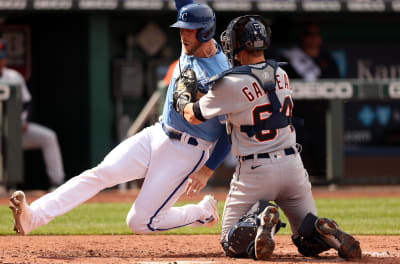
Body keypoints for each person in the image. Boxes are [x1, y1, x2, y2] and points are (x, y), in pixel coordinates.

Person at [9, 1, 231, 236]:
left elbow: (229, 131)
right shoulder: (190, 45)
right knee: (102, 172)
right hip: (158, 132)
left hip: (189, 151)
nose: (183, 35)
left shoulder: (223, 75)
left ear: (206, 32)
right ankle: (33, 217)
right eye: (181, 29)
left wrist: (207, 170)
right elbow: (183, 3)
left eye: (189, 30)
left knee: (139, 222)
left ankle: (202, 212)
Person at [177, 15, 361, 260]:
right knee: (305, 239)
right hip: (293, 167)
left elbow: (194, 116)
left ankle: (259, 220)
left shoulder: (230, 83)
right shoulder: (282, 74)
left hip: (255, 171)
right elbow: (245, 94)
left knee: (229, 242)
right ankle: (325, 235)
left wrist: (182, 98)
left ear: (239, 45)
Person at [0, 40, 65, 189]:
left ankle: (57, 183)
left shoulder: (13, 77)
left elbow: (27, 103)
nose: (1, 61)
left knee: (49, 137)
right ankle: (5, 186)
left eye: (2, 57)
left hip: (16, 130)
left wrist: (23, 121)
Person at [280, 23, 341, 177]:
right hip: (298, 118)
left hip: (321, 118)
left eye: (316, 35)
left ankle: (328, 190)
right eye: (309, 35)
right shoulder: (289, 58)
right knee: (296, 157)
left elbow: (338, 84)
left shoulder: (327, 59)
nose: (313, 39)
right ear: (303, 37)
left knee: (322, 159)